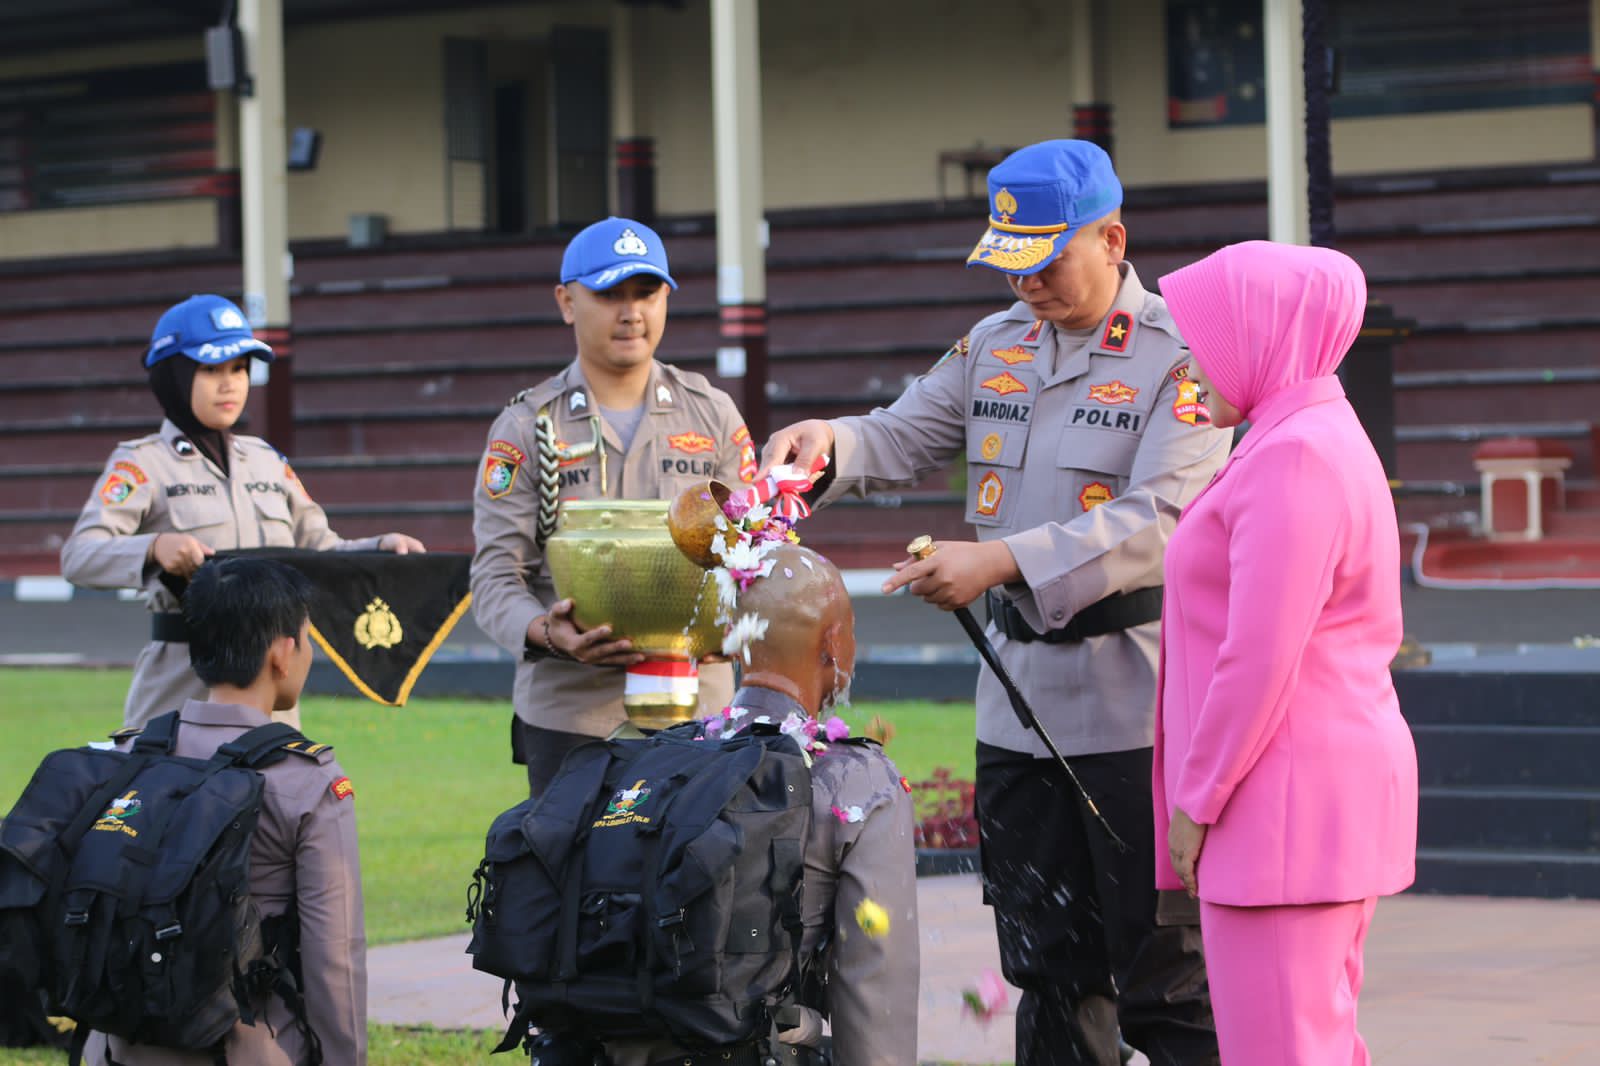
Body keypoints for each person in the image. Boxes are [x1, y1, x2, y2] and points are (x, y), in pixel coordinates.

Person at [761, 140, 1228, 1066]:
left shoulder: (1181, 356)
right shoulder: (993, 344)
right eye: (1012, 264)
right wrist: (830, 443)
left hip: (1134, 709)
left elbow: (1158, 520)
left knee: (1164, 981)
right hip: (1016, 711)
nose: (1028, 285)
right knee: (1047, 973)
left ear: (1112, 240)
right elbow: (900, 433)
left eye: (1048, 262)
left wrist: (1000, 560)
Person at [1154, 241, 1419, 1066]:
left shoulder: (1294, 454)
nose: (1189, 364)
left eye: (1202, 342)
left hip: (1278, 812)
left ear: (1257, 337)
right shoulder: (1305, 437)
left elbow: (1259, 657)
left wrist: (1197, 802)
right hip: (1299, 806)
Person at [471, 216, 757, 797]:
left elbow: (755, 554)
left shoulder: (713, 415)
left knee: (700, 856)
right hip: (574, 718)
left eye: (647, 293)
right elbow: (495, 576)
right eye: (610, 294)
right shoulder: (527, 427)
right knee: (572, 858)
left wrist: (740, 627)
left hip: (698, 709)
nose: (632, 313)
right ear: (567, 302)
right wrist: (547, 633)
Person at [605, 541, 920, 1066]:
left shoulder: (668, 756)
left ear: (735, 641)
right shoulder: (857, 779)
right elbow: (875, 983)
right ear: (834, 644)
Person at [59, 294, 425, 729]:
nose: (229, 384)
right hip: (180, 690)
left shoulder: (267, 461)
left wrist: (379, 548)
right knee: (175, 775)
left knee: (277, 775)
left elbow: (321, 551)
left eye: (238, 369)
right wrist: (154, 547)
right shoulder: (142, 464)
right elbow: (79, 556)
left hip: (271, 687)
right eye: (211, 370)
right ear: (174, 375)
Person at [84, 556, 367, 1066]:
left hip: (120, 1045)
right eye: (307, 638)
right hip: (253, 1048)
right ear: (283, 653)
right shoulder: (308, 781)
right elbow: (334, 955)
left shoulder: (125, 758)